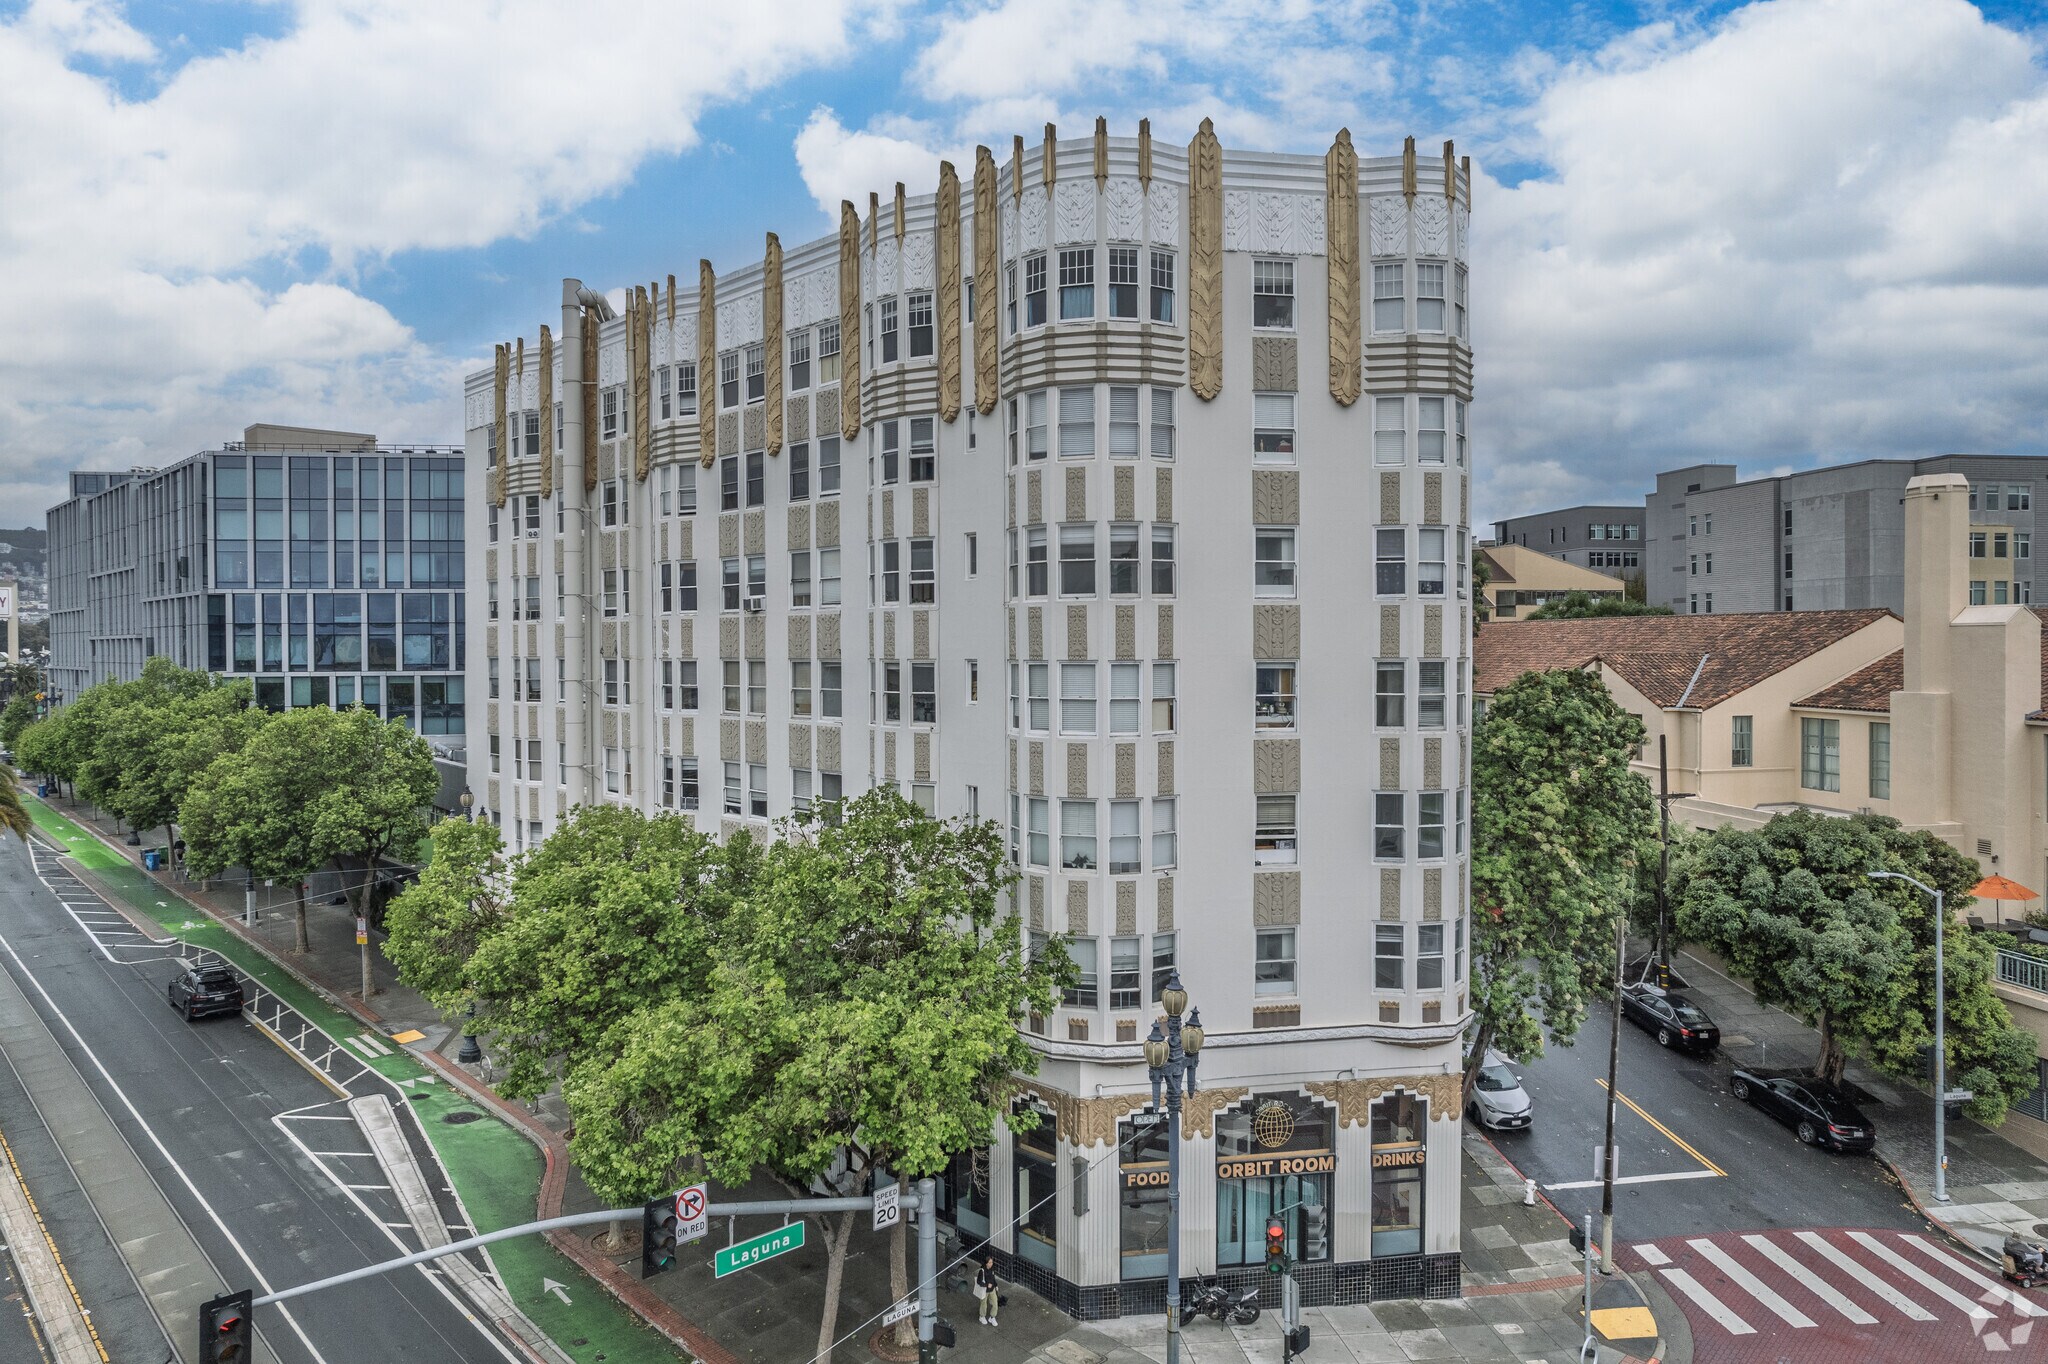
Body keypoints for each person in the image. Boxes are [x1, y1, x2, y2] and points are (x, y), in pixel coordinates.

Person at [975, 1255, 999, 1326]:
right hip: (985, 1290)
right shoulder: (982, 1271)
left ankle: (992, 1317)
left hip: (992, 1289)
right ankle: (982, 1316)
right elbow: (979, 1281)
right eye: (989, 1263)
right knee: (983, 1304)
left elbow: (993, 1278)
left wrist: (996, 1285)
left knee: (995, 1303)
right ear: (986, 1263)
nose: (991, 1264)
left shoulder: (992, 1269)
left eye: (992, 1262)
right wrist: (986, 1285)